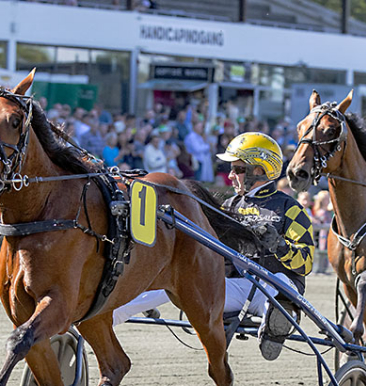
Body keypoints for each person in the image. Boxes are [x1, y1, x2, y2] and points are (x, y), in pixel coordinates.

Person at [112, 132, 315, 361]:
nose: (230, 176)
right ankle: (111, 314)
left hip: (278, 288)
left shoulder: (290, 208)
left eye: (238, 169)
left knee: (277, 287)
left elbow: (306, 263)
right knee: (178, 282)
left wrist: (278, 245)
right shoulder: (229, 205)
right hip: (239, 287)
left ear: (259, 169)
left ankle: (276, 324)